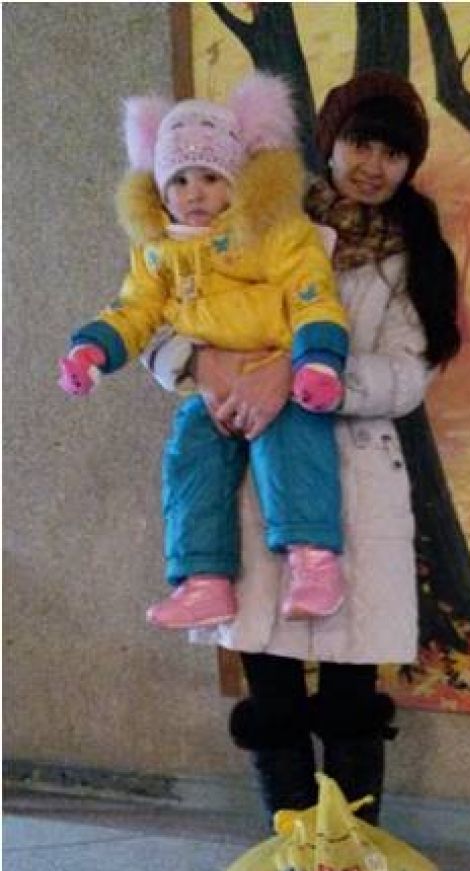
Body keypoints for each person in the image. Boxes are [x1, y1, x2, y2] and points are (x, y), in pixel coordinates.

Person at [148, 70, 461, 826]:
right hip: (258, 470)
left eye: (392, 152)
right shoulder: (253, 219)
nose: (373, 165)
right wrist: (202, 364)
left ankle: (351, 861)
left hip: (358, 480)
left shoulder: (412, 253)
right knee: (273, 688)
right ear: (330, 143)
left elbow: (406, 374)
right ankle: (291, 857)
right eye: (360, 143)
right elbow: (158, 320)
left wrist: (301, 375)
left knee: (351, 695)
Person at [57, 72, 350, 628]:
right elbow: (134, 310)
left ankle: (314, 562)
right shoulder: (158, 252)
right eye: (180, 180)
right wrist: (92, 350)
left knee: (294, 448)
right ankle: (203, 579)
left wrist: (317, 360)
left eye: (211, 178)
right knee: (190, 456)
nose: (194, 193)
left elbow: (313, 295)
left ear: (237, 181)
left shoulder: (274, 230)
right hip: (210, 389)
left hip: (280, 370)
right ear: (159, 189)